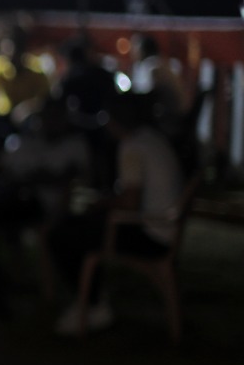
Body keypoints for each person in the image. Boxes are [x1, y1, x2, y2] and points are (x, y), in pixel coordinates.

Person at [45, 91, 186, 336]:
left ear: (113, 120)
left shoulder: (131, 146)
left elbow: (130, 203)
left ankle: (92, 304)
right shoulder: (151, 138)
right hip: (165, 228)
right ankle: (92, 299)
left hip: (150, 233)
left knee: (62, 234)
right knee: (79, 227)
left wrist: (101, 203)